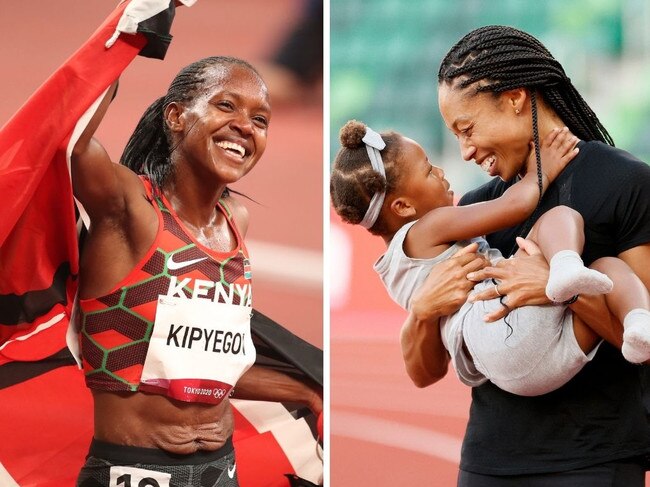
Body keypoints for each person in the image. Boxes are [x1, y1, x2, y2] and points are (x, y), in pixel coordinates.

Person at [399, 25, 650, 485]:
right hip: (487, 464)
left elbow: (645, 343)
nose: (466, 150)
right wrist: (421, 310)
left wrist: (561, 292)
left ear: (515, 98)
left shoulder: (627, 182)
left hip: (594, 463)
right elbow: (425, 373)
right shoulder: (476, 208)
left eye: (467, 128)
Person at [71, 56, 322, 486]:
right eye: (226, 106)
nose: (246, 125)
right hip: (131, 467)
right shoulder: (129, 207)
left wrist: (309, 394)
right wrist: (128, 38)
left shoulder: (235, 222)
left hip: (219, 471)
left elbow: (210, 368)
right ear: (176, 115)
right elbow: (71, 144)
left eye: (260, 119)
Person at [331, 118, 650, 396]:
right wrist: (545, 167)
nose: (441, 171)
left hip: (509, 371)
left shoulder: (391, 268)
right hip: (500, 324)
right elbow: (515, 205)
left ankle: (638, 327)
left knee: (606, 274)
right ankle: (566, 268)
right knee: (561, 219)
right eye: (429, 169)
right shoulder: (430, 226)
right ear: (403, 207)